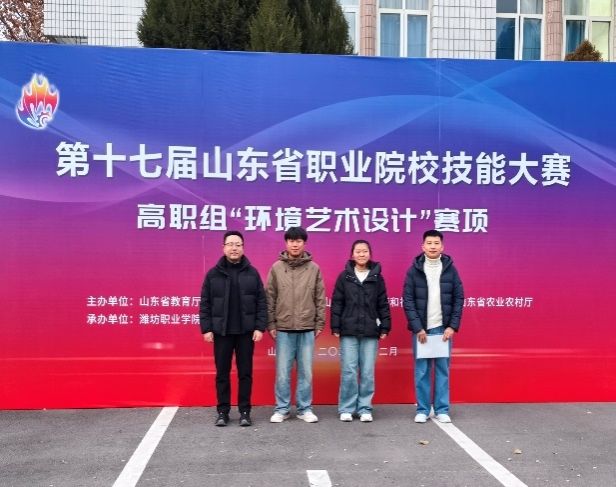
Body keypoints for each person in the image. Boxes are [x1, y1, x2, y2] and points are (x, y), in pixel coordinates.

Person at [199, 230, 267, 427]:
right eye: (230, 244)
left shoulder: (252, 273)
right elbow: (205, 303)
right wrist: (206, 328)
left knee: (245, 373)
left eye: (238, 244)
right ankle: (223, 411)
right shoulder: (213, 274)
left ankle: (245, 411)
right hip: (222, 333)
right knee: (222, 373)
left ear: (243, 248)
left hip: (246, 333)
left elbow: (261, 302)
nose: (234, 248)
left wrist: (259, 327)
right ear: (223, 247)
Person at [403, 229, 464, 424]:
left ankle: (442, 409)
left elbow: (458, 298)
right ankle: (422, 409)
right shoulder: (414, 270)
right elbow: (408, 300)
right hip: (422, 330)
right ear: (423, 246)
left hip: (442, 329)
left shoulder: (450, 270)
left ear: (442, 247)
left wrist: (452, 326)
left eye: (436, 243)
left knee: (442, 371)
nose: (432, 246)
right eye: (429, 243)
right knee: (421, 371)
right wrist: (417, 328)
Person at [266, 226, 326, 423]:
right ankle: (282, 409)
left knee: (306, 373)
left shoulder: (314, 268)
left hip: (307, 328)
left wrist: (319, 323)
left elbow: (320, 297)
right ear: (286, 243)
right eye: (291, 241)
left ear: (304, 243)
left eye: (298, 241)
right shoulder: (276, 268)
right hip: (283, 328)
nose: (295, 244)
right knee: (283, 373)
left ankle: (304, 408)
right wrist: (271, 323)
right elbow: (270, 297)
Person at [331, 240, 391, 423]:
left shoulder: (377, 278)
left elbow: (382, 303)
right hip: (348, 330)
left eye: (365, 251)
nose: (361, 254)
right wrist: (335, 326)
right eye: (358, 251)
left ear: (369, 254)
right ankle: (347, 408)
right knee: (349, 370)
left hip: (370, 330)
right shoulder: (344, 277)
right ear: (352, 254)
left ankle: (365, 408)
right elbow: (337, 302)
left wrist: (385, 326)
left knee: (367, 371)